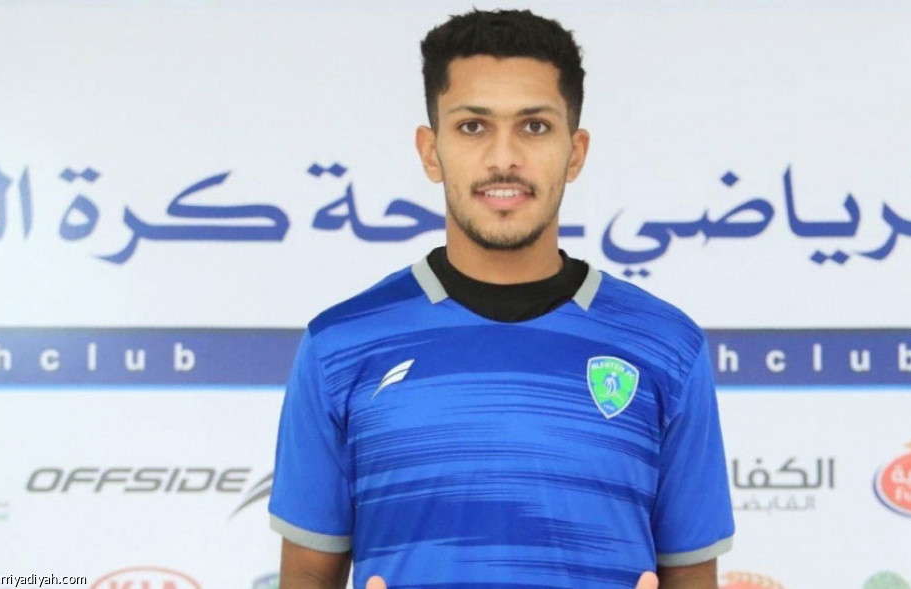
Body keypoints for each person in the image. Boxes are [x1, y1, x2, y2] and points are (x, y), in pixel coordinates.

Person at [269, 8, 734, 589]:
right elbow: (305, 577)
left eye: (534, 126)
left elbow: (694, 577)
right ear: (430, 150)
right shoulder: (339, 346)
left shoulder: (667, 347)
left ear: (576, 151)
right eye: (473, 127)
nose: (503, 157)